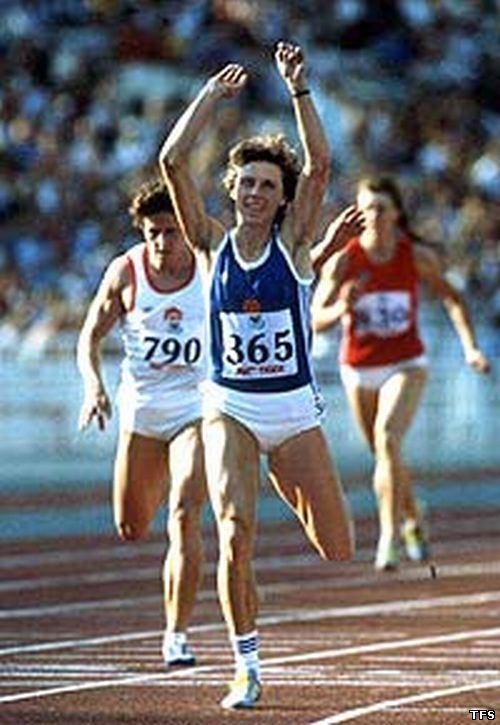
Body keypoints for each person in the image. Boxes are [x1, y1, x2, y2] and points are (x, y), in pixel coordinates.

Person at [159, 41, 354, 710]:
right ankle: (246, 663)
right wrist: (211, 98)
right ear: (233, 190)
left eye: (268, 185)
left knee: (337, 548)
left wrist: (298, 88)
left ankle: (288, 479)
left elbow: (323, 162)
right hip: (230, 408)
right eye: (246, 183)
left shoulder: (294, 243)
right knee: (235, 530)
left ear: (281, 198)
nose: (254, 193)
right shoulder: (210, 242)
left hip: (294, 412)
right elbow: (171, 161)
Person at [312, 175, 491, 572]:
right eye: (366, 208)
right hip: (359, 367)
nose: (374, 216)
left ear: (396, 214)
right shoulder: (345, 259)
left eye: (381, 208)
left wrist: (470, 347)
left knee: (388, 437)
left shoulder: (414, 256)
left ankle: (390, 535)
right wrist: (342, 309)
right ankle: (414, 515)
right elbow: (315, 320)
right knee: (384, 454)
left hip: (406, 363)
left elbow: (453, 298)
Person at [77, 179, 207, 667]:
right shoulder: (124, 272)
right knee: (131, 526)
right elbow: (89, 337)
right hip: (143, 410)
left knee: (185, 512)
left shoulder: (209, 267)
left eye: (172, 232)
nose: (162, 242)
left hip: (198, 407)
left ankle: (177, 633)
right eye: (153, 231)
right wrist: (94, 387)